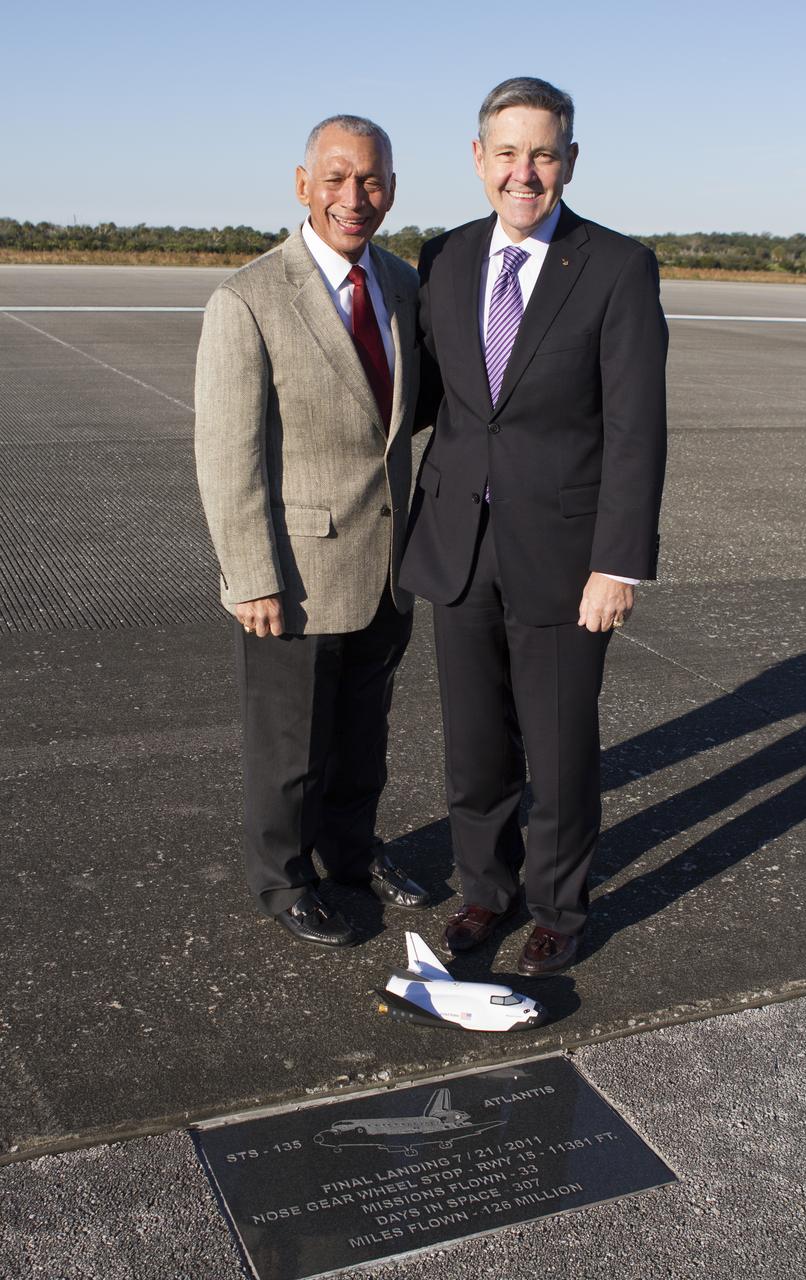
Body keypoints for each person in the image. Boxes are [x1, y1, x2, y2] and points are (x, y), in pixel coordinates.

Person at [400, 77, 667, 975]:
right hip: (457, 545)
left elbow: (635, 427)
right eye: (507, 153)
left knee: (557, 750)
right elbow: (428, 398)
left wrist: (617, 564)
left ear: (570, 162)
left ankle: (558, 904)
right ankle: (486, 889)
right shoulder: (443, 257)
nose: (524, 172)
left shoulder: (616, 267)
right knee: (474, 746)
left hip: (564, 553)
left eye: (543, 154)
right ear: (478, 159)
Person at [195, 115, 428, 949]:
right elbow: (227, 454)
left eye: (370, 180)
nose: (352, 196)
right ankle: (283, 878)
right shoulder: (248, 299)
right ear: (302, 185)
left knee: (364, 739)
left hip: (386, 564)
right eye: (334, 178)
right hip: (294, 573)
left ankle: (352, 854)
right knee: (289, 747)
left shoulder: (403, 285)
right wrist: (250, 575)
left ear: (391, 191)